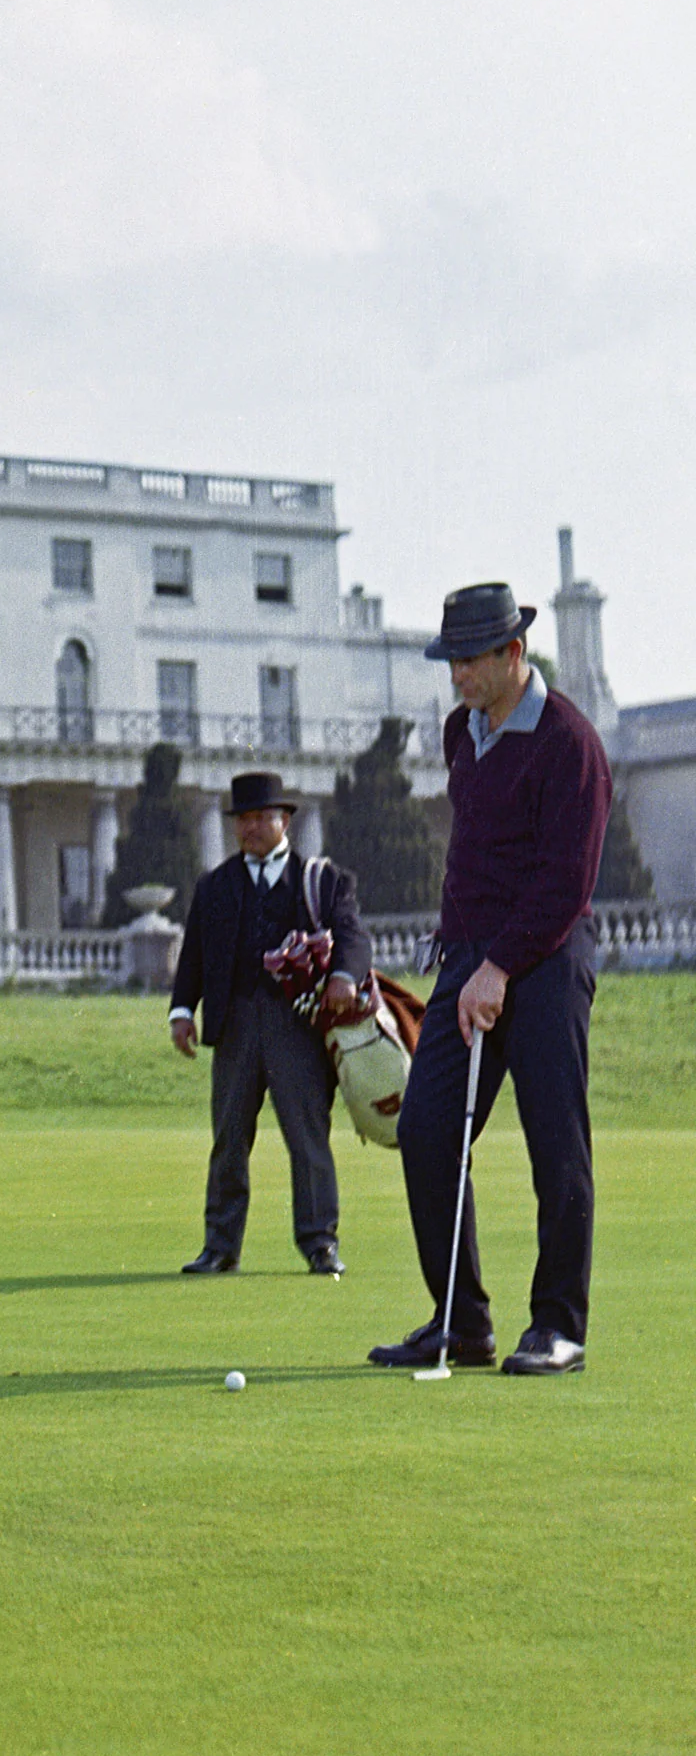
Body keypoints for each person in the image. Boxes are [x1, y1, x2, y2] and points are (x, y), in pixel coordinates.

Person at [369, 583, 611, 1376]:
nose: (457, 675)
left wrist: (500, 966)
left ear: (513, 653)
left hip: (545, 960)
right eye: (450, 661)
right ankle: (460, 1322)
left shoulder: (570, 743)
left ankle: (559, 1328)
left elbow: (565, 882)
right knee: (425, 1130)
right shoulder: (461, 734)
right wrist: (464, 957)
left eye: (470, 660)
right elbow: (474, 855)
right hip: (468, 960)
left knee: (555, 1142)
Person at [169, 769, 370, 1278]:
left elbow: (353, 938)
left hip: (297, 1026)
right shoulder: (214, 886)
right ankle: (220, 1247)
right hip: (234, 1025)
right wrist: (181, 1012)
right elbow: (194, 955)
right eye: (243, 819)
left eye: (261, 817)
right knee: (229, 1139)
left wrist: (344, 976)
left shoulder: (323, 880)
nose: (250, 827)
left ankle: (320, 1243)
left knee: (307, 1137)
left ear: (285, 821)